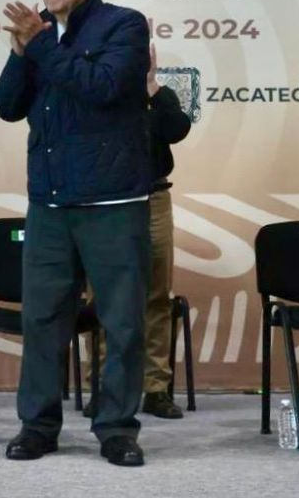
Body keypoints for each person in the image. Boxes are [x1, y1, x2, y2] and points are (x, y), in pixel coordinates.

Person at [0, 0, 151, 467]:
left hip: (113, 200)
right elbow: (6, 106)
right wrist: (20, 53)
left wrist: (39, 45)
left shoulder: (125, 25)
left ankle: (117, 429)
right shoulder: (38, 33)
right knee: (42, 317)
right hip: (51, 202)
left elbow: (102, 86)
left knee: (122, 321)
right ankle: (37, 425)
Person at [83, 43, 191, 421]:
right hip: (106, 204)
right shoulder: (96, 91)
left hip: (153, 198)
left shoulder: (160, 97)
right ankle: (101, 385)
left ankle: (155, 388)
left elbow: (177, 131)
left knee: (157, 297)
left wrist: (151, 89)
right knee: (103, 298)